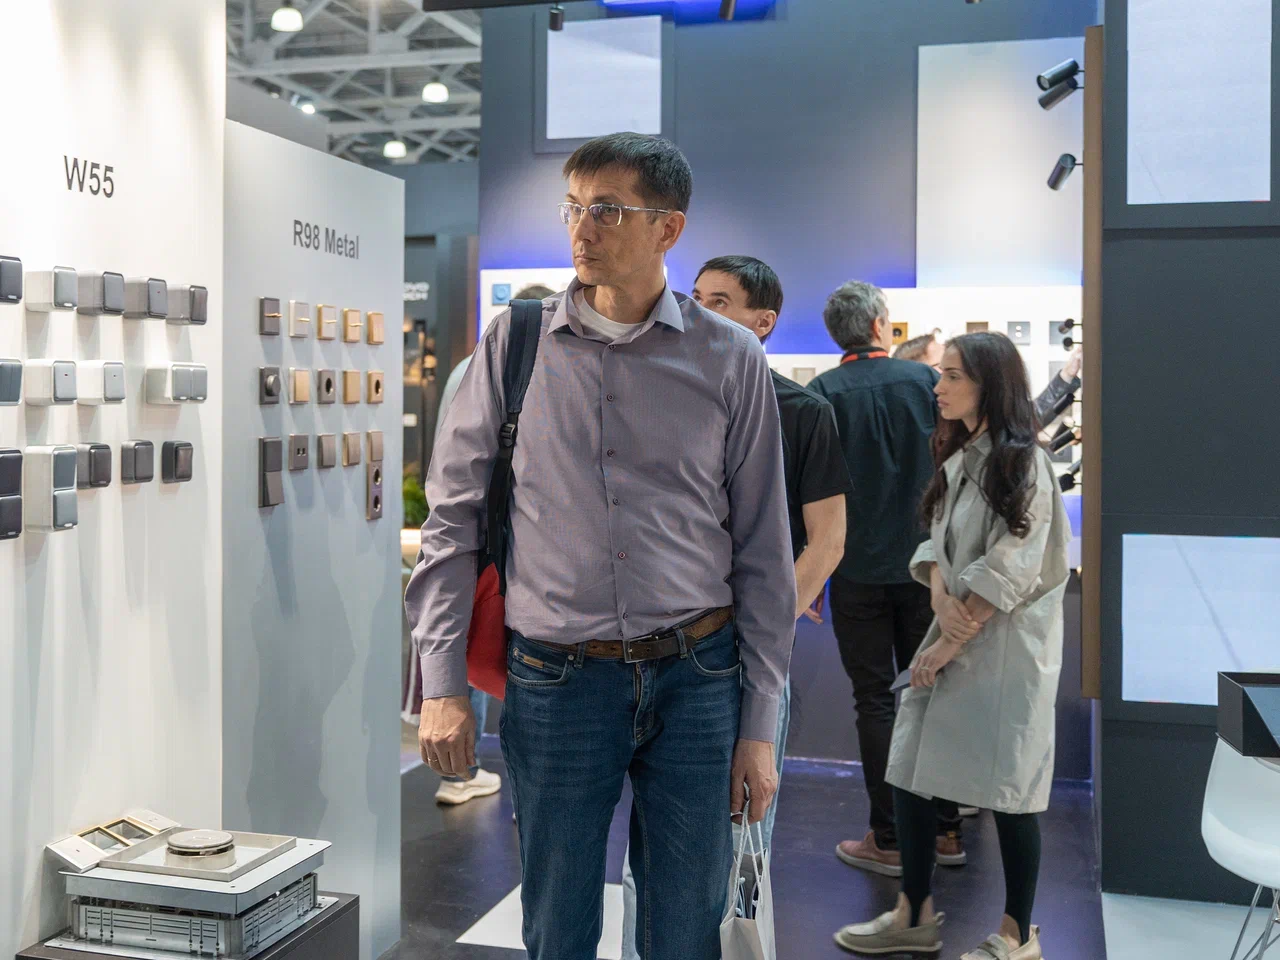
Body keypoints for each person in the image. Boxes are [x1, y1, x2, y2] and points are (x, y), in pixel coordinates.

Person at [405, 133, 795, 960]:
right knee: (558, 924)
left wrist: (760, 723)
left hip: (698, 676)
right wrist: (440, 685)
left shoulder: (730, 357)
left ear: (668, 228)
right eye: (574, 208)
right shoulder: (515, 345)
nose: (583, 229)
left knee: (684, 928)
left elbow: (763, 550)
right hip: (556, 680)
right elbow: (451, 525)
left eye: (609, 210)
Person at [618, 255, 852, 960]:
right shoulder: (666, 390)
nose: (698, 310)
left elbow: (827, 541)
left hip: (743, 660)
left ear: (763, 321)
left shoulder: (801, 411)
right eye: (695, 296)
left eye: (719, 301)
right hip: (660, 651)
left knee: (736, 836)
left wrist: (765, 629)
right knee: (649, 847)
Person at [834, 332, 1071, 960]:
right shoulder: (962, 458)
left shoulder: (1024, 463)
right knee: (911, 770)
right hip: (954, 639)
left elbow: (1012, 565)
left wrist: (948, 639)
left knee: (1011, 792)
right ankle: (913, 913)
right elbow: (935, 542)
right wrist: (939, 596)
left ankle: (1017, 936)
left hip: (1002, 654)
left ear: (990, 384)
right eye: (940, 374)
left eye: (953, 376)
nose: (938, 388)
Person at [808, 282, 966, 877]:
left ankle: (891, 837)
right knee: (934, 691)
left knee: (874, 699)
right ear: (880, 325)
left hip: (853, 569)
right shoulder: (925, 382)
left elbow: (807, 490)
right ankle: (946, 830)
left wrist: (810, 571)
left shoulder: (822, 394)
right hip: (929, 568)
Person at [426, 283, 556, 807]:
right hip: (500, 541)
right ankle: (474, 773)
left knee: (471, 641)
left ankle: (461, 769)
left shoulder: (467, 367)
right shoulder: (522, 366)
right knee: (487, 648)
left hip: (473, 536)